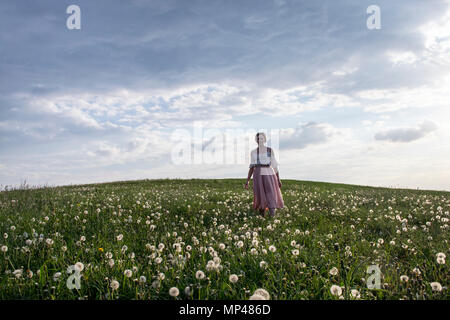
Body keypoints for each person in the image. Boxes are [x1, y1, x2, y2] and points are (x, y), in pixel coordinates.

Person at [244, 132, 284, 217]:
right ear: (256, 140)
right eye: (258, 138)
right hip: (258, 174)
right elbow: (251, 167)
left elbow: (274, 165)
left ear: (265, 139)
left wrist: (278, 179)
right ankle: (262, 217)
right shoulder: (253, 152)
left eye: (262, 138)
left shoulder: (270, 150)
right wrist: (247, 180)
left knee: (271, 193)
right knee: (259, 194)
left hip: (269, 172)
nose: (260, 140)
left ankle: (272, 216)